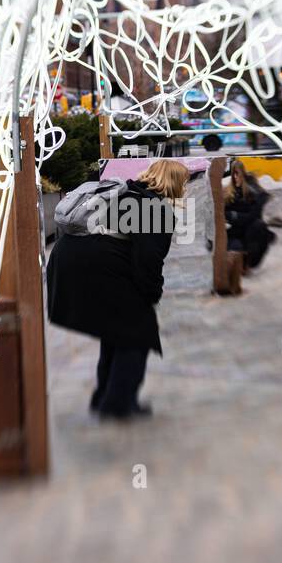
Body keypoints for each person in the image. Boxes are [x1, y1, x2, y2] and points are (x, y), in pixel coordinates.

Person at [46, 159, 189, 421]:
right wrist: (151, 295)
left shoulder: (124, 193)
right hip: (93, 269)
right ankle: (117, 404)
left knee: (116, 331)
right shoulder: (153, 208)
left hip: (68, 261)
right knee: (137, 332)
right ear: (174, 183)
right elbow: (148, 260)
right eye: (184, 182)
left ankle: (106, 398)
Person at [224, 159, 276, 270]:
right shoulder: (229, 193)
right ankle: (240, 265)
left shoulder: (255, 192)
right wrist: (234, 216)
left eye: (238, 174)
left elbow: (252, 215)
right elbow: (223, 213)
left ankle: (247, 263)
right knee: (234, 245)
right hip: (237, 231)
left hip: (252, 231)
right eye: (233, 175)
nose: (235, 178)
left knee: (257, 226)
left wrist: (234, 215)